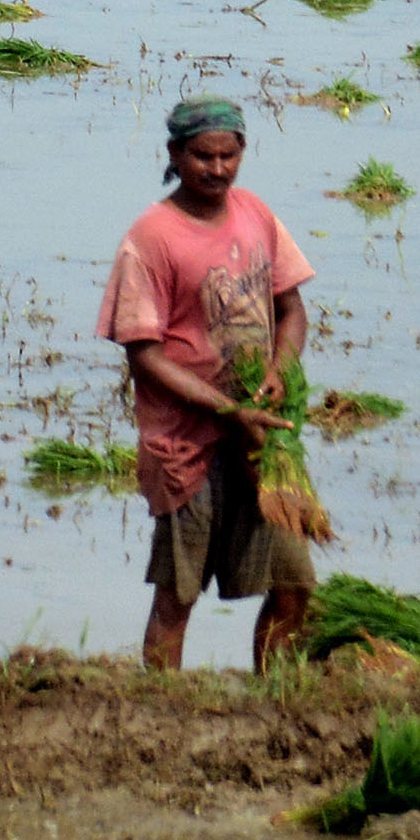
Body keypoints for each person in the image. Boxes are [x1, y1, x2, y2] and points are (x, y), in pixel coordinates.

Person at [101, 96, 317, 673]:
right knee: (179, 593)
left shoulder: (256, 215)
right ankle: (165, 709)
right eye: (203, 156)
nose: (218, 169)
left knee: (295, 583)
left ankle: (273, 702)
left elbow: (291, 309)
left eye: (229, 155)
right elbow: (144, 355)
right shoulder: (151, 238)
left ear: (243, 152)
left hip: (260, 438)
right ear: (175, 154)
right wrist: (225, 408)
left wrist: (279, 371)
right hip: (186, 444)